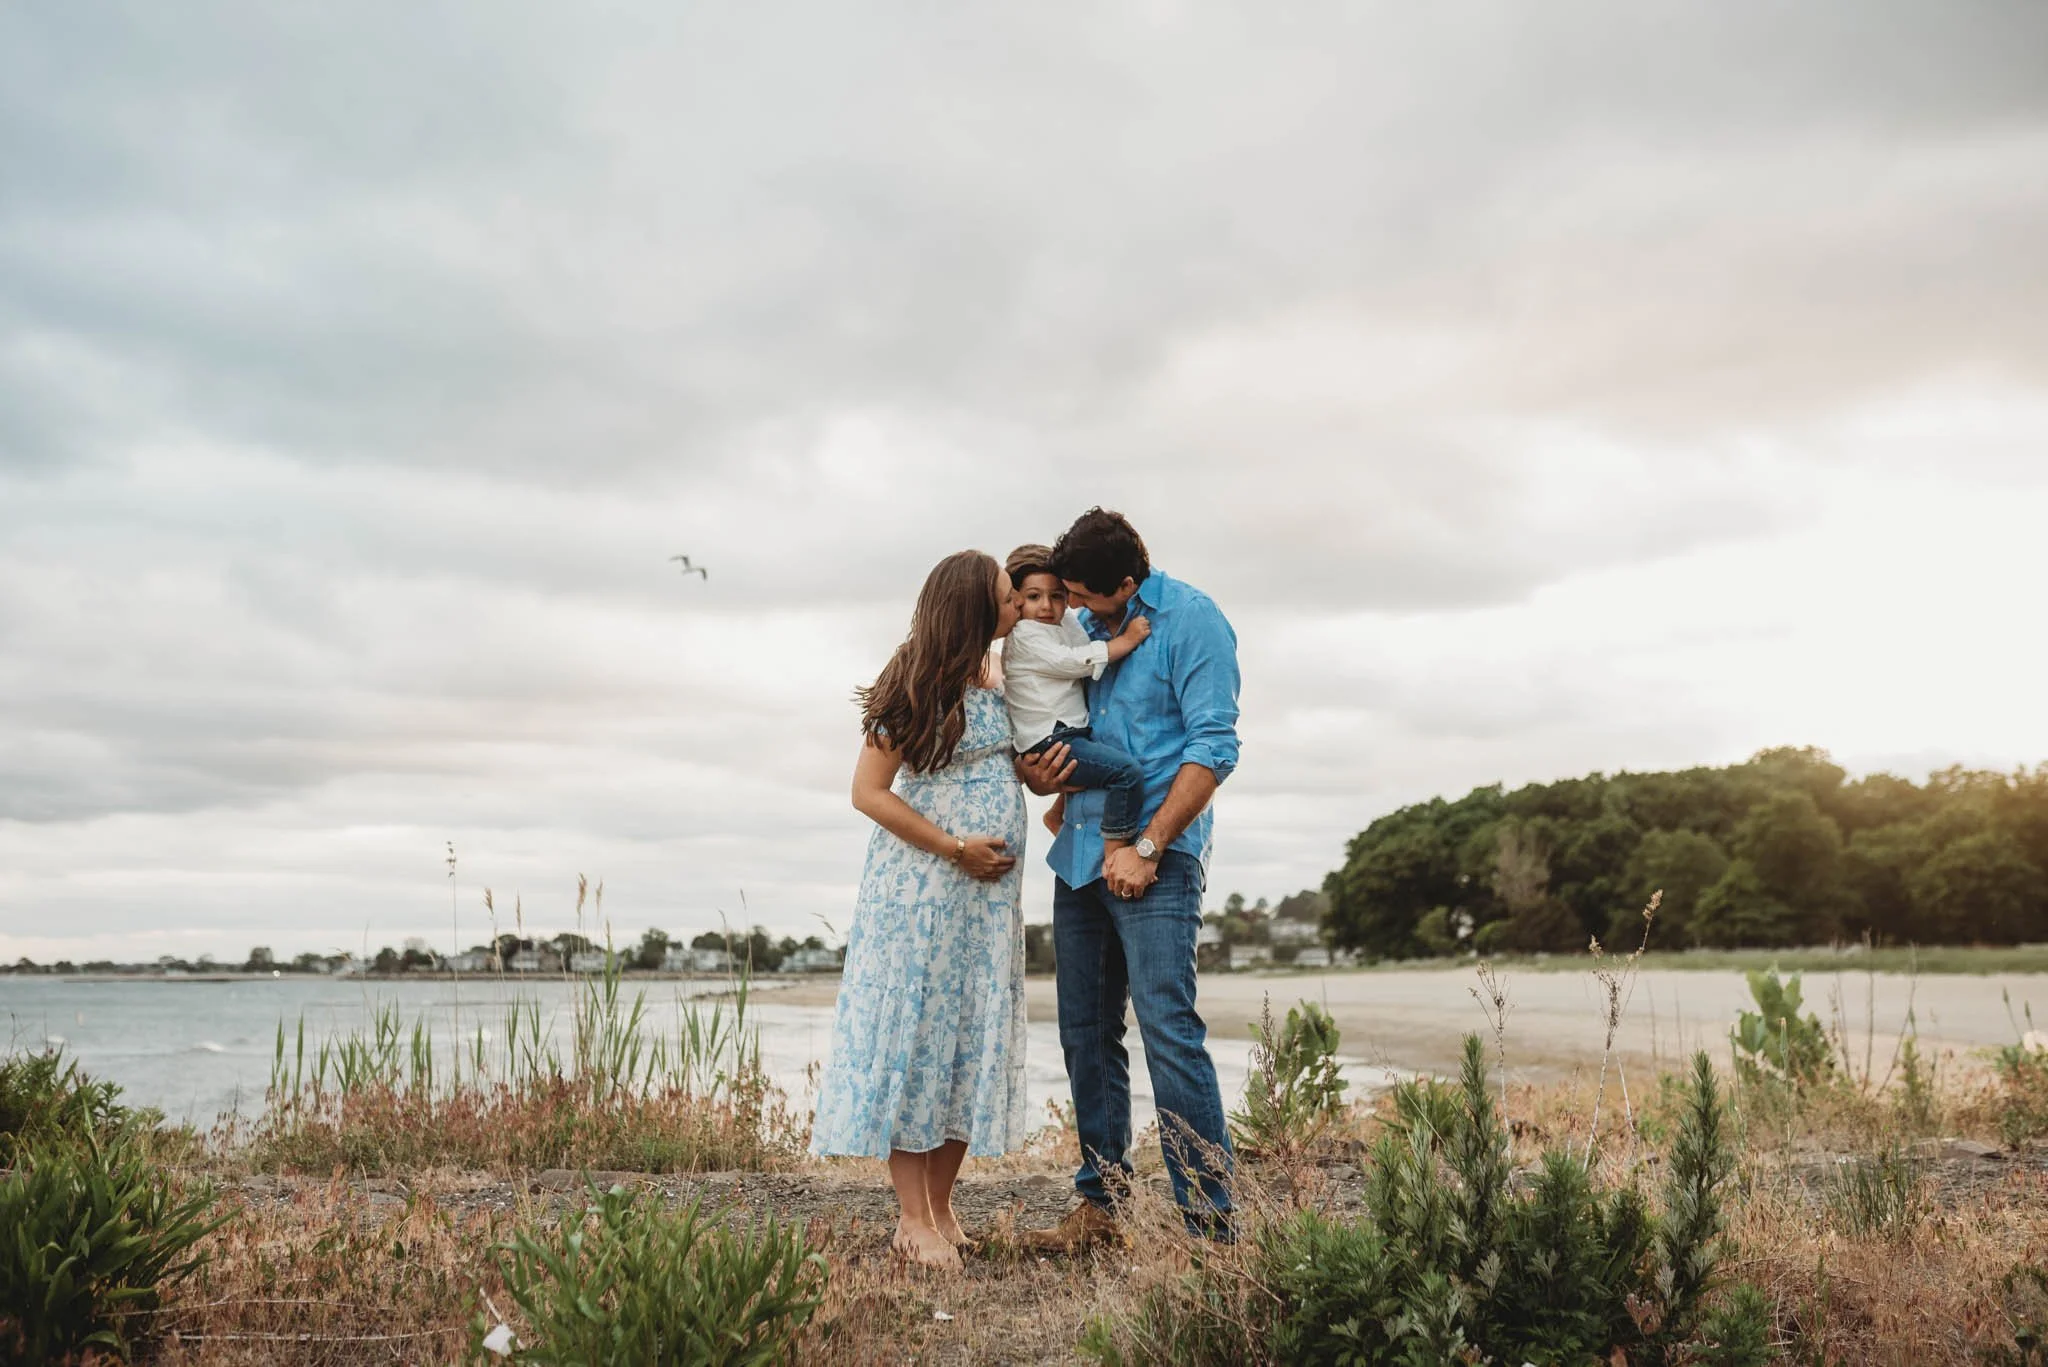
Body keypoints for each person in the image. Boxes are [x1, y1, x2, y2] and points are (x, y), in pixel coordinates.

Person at [1016, 508, 1241, 1248]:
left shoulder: (1193, 621)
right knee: (1084, 1034)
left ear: (1127, 583)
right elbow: (1059, 721)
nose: (1070, 606)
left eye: (1082, 594)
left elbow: (1213, 747)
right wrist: (1041, 776)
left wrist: (1145, 845)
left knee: (1168, 1031)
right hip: (1080, 856)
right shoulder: (1082, 628)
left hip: (1158, 860)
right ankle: (1103, 1207)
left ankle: (1211, 1228)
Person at [810, 549, 1040, 1271]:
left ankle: (941, 1205)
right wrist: (953, 847)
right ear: (972, 606)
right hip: (922, 895)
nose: (1018, 608)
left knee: (968, 1042)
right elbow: (868, 793)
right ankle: (912, 1218)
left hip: (987, 902)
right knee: (919, 1042)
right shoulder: (914, 681)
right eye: (1007, 598)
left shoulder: (1002, 677)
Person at [999, 544, 1150, 864]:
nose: (1046, 606)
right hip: (1051, 739)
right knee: (1126, 773)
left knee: (1101, 759)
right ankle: (1115, 851)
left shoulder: (1058, 623)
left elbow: (1079, 638)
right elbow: (1075, 660)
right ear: (1016, 600)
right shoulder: (1025, 634)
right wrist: (1126, 641)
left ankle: (1058, 816)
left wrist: (1065, 609)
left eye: (1057, 596)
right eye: (1033, 596)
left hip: (1068, 733)